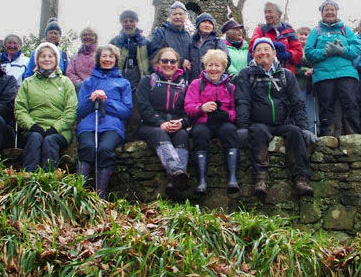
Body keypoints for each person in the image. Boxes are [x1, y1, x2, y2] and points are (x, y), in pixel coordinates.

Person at [235, 37, 318, 198]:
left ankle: (301, 179)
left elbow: (297, 103)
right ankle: (261, 179)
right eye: (258, 50)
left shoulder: (285, 74)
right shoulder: (246, 74)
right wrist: (242, 127)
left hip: (283, 123)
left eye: (267, 49)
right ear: (253, 55)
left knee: (296, 133)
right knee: (257, 132)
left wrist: (304, 129)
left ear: (274, 53)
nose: (263, 52)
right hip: (258, 123)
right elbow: (242, 101)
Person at [77, 44, 132, 199]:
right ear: (98, 59)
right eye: (104, 56)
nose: (107, 59)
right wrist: (92, 99)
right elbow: (80, 110)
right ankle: (78, 193)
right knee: (87, 147)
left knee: (105, 149)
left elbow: (126, 111)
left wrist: (106, 101)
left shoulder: (123, 83)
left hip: (112, 126)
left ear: (116, 60)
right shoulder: (88, 82)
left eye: (111, 56)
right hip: (89, 124)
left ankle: (100, 196)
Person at [136, 47, 190, 197]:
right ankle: (177, 171)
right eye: (165, 61)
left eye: (173, 61)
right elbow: (143, 105)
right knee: (160, 133)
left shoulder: (184, 84)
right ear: (158, 63)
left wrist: (182, 123)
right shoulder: (148, 81)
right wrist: (160, 122)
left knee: (183, 135)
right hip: (150, 126)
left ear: (177, 63)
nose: (169, 64)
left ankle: (174, 183)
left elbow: (188, 109)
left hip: (175, 125)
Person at [15, 42, 77, 172]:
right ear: (37, 60)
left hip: (59, 131)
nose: (47, 59)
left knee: (50, 140)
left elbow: (71, 110)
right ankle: (29, 178)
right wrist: (32, 126)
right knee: (35, 138)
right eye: (43, 56)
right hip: (33, 128)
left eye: (50, 56)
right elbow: (20, 109)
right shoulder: (28, 82)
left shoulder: (65, 82)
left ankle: (48, 179)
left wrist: (56, 128)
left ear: (56, 60)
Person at [184, 49, 239, 194]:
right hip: (202, 122)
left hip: (222, 123)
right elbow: (188, 106)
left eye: (217, 65)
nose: (213, 69)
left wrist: (227, 115)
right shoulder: (197, 84)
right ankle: (202, 181)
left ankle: (232, 179)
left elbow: (235, 111)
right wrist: (201, 108)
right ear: (205, 66)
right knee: (200, 134)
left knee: (230, 131)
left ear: (223, 67)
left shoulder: (230, 87)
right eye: (210, 65)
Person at [305, 0, 361, 136]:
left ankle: (354, 136)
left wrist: (342, 50)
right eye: (326, 10)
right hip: (324, 75)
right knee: (326, 107)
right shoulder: (316, 31)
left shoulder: (345, 30)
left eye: (332, 10)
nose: (329, 12)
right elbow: (308, 52)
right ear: (322, 13)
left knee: (350, 105)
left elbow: (357, 49)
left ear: (336, 12)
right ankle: (328, 137)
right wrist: (324, 52)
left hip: (346, 73)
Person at [249, 2, 302, 74]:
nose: (267, 15)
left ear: (279, 14)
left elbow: (298, 53)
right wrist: (270, 45)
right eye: (265, 12)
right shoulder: (260, 30)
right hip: (264, 72)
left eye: (270, 12)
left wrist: (288, 54)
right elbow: (252, 47)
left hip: (286, 72)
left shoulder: (290, 31)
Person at [109, 11, 150, 90]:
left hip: (139, 84)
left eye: (131, 21)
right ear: (121, 23)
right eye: (125, 21)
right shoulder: (114, 42)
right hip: (118, 83)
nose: (128, 24)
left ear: (136, 22)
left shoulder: (145, 42)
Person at [150, 1, 192, 74]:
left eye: (180, 14)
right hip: (164, 75)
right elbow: (155, 54)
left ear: (185, 16)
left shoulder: (188, 36)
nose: (178, 17)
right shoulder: (161, 33)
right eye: (174, 14)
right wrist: (181, 61)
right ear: (169, 17)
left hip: (183, 78)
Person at [188, 13, 228, 82]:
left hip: (211, 82)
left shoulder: (218, 42)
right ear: (198, 25)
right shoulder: (191, 42)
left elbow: (225, 61)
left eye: (210, 23)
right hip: (193, 82)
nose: (207, 25)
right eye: (204, 22)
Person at [295, 26, 318, 133]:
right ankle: (300, 129)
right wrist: (304, 70)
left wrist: (313, 70)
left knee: (311, 107)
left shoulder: (312, 49)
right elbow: (291, 67)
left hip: (312, 84)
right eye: (301, 34)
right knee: (300, 106)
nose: (304, 36)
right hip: (298, 84)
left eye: (306, 34)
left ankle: (313, 130)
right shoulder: (294, 49)